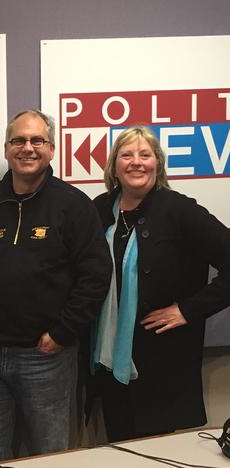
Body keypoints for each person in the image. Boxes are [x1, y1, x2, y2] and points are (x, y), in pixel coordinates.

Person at [0, 109, 111, 460]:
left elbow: (96, 275)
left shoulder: (73, 206)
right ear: (7, 149)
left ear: (52, 149)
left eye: (37, 140)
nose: (28, 148)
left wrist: (63, 332)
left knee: (49, 453)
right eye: (19, 140)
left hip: (47, 357)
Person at [90, 126, 230, 441]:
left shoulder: (179, 210)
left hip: (161, 363)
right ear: (114, 166)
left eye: (145, 154)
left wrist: (188, 310)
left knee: (156, 452)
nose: (136, 162)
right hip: (108, 360)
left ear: (158, 164)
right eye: (126, 155)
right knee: (119, 450)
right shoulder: (99, 209)